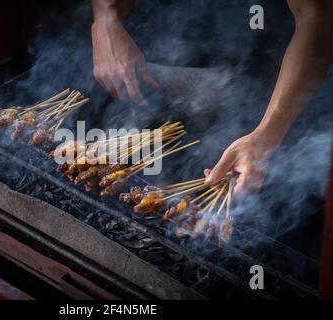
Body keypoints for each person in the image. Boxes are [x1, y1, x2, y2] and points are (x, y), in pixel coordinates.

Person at [90, 0, 333, 197]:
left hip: (269, 93)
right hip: (174, 51)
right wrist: (105, 20)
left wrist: (265, 136)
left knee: (225, 193)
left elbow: (316, 20)